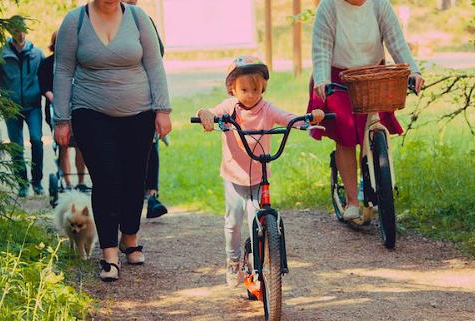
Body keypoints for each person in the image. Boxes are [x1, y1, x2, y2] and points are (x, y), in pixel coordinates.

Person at [54, 0, 172, 282]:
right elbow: (62, 71)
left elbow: (154, 63)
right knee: (107, 179)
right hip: (90, 111)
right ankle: (109, 254)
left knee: (134, 178)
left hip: (139, 112)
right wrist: (61, 119)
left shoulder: (138, 17)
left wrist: (163, 110)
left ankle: (129, 238)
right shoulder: (75, 21)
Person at [196, 56, 324, 288]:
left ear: (263, 87)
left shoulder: (266, 108)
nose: (250, 94)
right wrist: (206, 115)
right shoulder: (230, 107)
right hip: (234, 176)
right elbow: (211, 112)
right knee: (233, 221)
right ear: (232, 89)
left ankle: (258, 264)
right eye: (244, 89)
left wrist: (307, 120)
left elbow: (287, 118)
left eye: (256, 89)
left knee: (257, 217)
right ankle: (233, 260)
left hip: (259, 176)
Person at [309, 0, 424, 220]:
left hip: (374, 76)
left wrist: (413, 71)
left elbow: (396, 41)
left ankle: (377, 182)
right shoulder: (329, 6)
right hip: (340, 77)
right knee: (345, 136)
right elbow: (321, 47)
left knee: (374, 125)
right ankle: (352, 200)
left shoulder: (379, 4)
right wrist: (322, 78)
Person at [0, 15, 45, 197]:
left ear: (25, 30)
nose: (19, 33)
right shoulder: (1, 55)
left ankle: (37, 182)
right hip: (11, 107)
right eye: (15, 30)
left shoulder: (37, 54)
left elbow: (46, 79)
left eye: (21, 29)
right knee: (16, 146)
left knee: (36, 140)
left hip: (33, 106)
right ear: (10, 31)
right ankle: (22, 183)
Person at [124, 0, 168, 219]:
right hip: (113, 99)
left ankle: (152, 196)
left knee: (150, 145)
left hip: (144, 96)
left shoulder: (144, 19)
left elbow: (158, 55)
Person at [37, 30, 89, 192]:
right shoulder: (46, 64)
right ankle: (67, 183)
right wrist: (59, 100)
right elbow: (45, 88)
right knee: (63, 146)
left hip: (78, 109)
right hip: (57, 111)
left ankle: (81, 181)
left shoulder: (78, 62)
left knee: (81, 145)